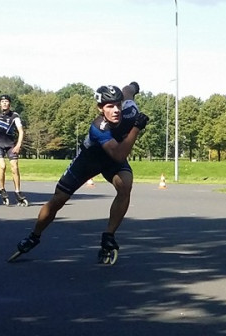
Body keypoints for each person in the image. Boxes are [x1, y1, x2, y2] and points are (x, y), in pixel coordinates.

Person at [9, 83, 149, 263]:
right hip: (88, 161)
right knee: (58, 200)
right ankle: (34, 235)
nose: (116, 110)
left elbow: (128, 91)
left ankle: (108, 236)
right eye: (109, 106)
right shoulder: (99, 127)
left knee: (125, 185)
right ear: (100, 108)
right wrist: (136, 129)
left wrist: (135, 86)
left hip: (111, 161)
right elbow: (121, 153)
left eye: (118, 105)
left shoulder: (129, 110)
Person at [0, 94, 26, 206]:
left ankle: (17, 192)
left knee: (15, 167)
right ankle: (2, 190)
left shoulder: (15, 116)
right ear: (0, 104)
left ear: (9, 104)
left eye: (7, 101)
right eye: (2, 102)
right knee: (2, 166)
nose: (5, 103)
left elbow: (21, 131)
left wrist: (18, 145)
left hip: (10, 144)